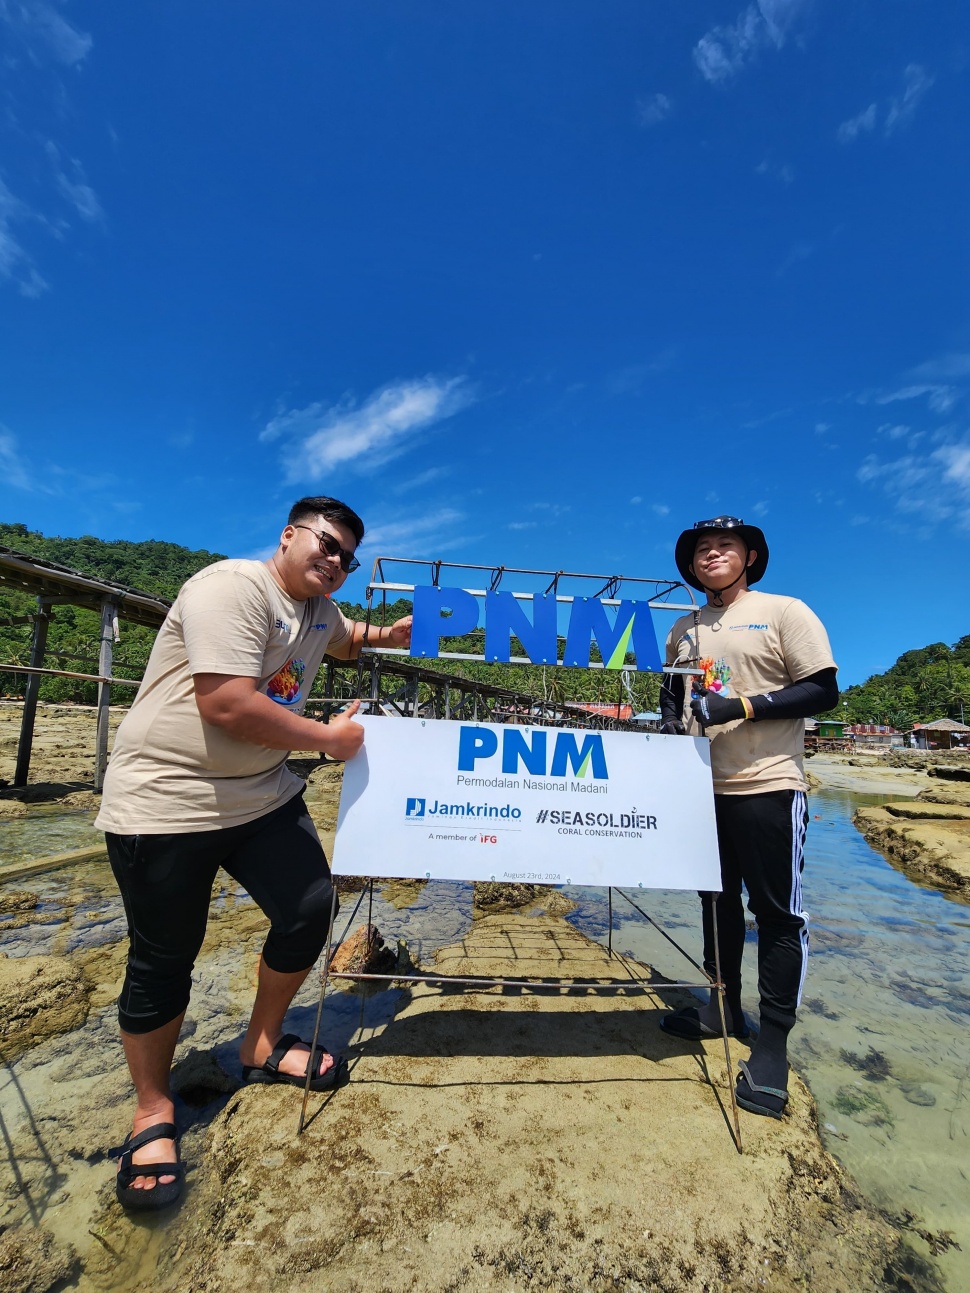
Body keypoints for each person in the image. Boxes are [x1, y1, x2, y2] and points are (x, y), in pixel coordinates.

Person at [95, 496, 412, 1210]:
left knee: (308, 907)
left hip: (259, 794)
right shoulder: (233, 588)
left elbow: (347, 638)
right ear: (290, 535)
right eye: (326, 545)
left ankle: (261, 1042)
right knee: (164, 955)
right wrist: (328, 738)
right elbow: (228, 703)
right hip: (167, 801)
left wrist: (389, 633)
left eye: (347, 558)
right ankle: (151, 1109)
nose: (335, 562)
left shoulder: (323, 612)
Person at [658, 516, 838, 1119]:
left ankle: (774, 1043)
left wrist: (741, 704)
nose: (712, 554)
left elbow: (821, 690)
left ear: (751, 556)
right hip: (700, 787)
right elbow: (672, 701)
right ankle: (721, 1007)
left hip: (767, 783)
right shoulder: (682, 628)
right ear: (690, 565)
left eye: (725, 546)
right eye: (701, 549)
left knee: (778, 913)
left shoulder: (785, 611)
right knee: (715, 900)